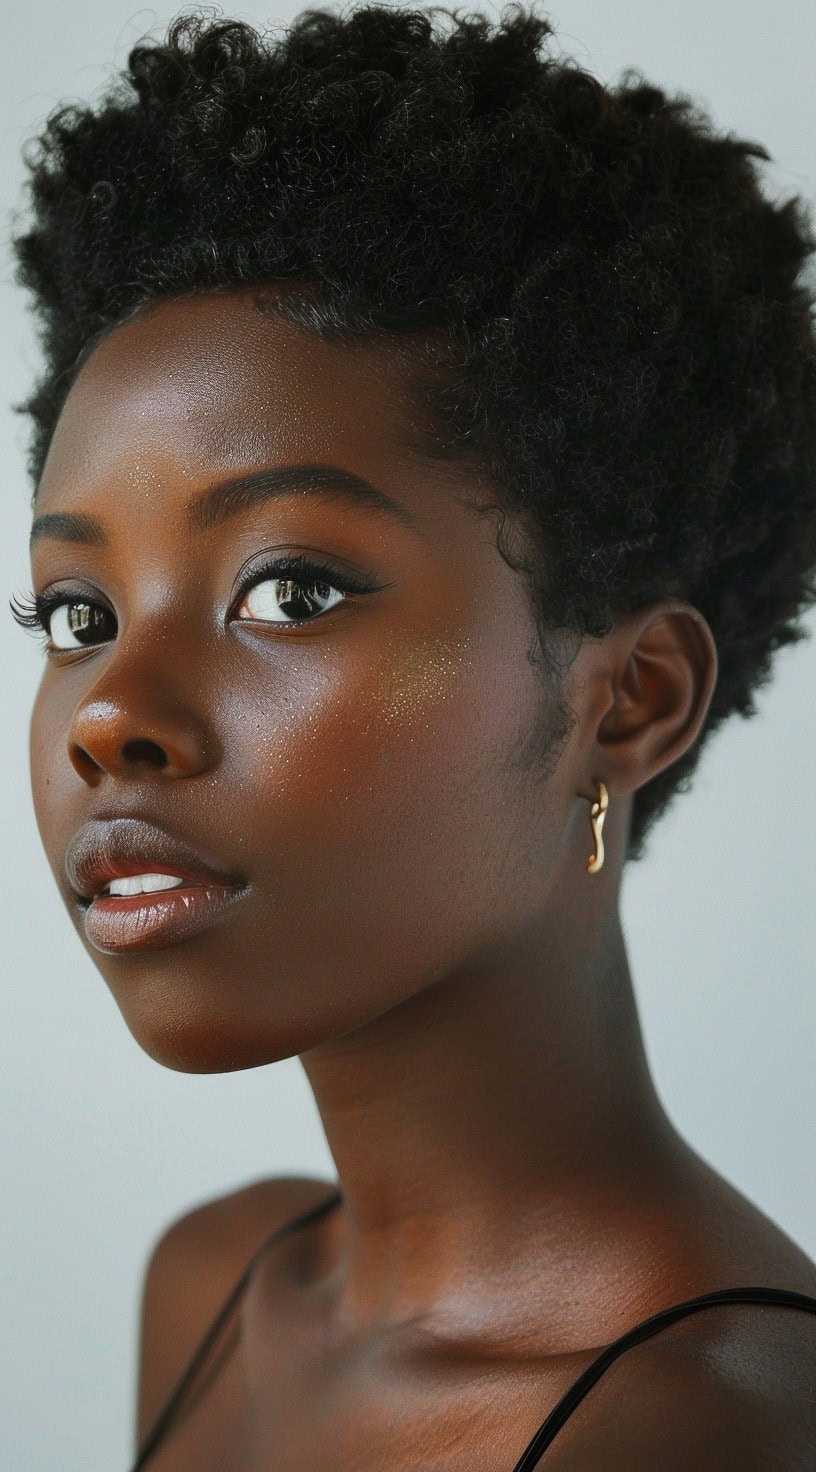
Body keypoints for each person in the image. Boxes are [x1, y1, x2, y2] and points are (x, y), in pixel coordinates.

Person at [11, 4, 816, 1467]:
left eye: (290, 590)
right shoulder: (213, 1286)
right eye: (76, 616)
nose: (113, 715)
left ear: (628, 700)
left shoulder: (707, 1423)